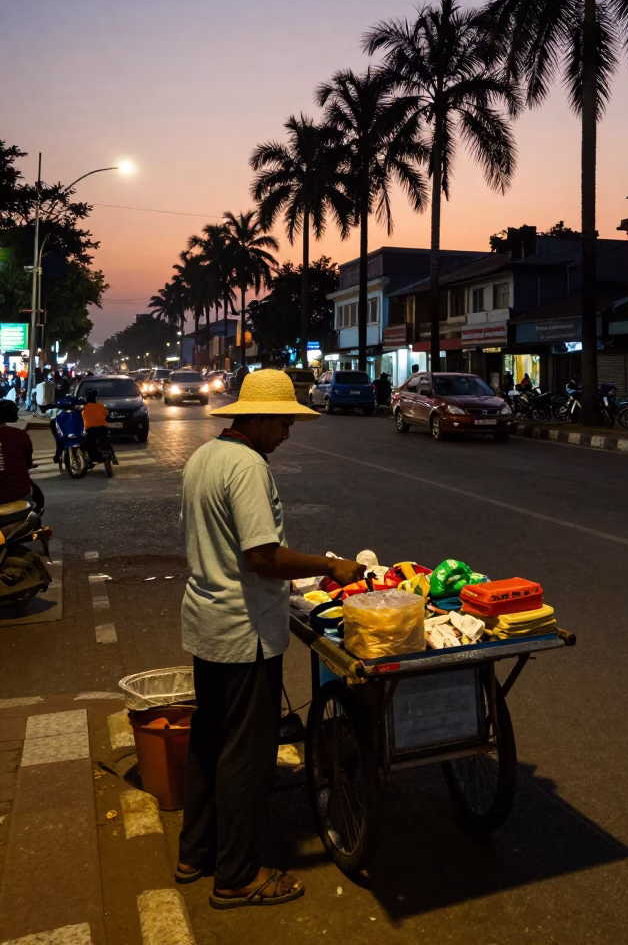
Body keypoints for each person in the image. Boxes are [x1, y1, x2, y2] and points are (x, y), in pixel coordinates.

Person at [177, 368, 364, 910]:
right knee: (246, 755)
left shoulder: (203, 458)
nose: (287, 432)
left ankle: (197, 850)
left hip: (207, 623)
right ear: (257, 419)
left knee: (208, 741)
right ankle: (236, 876)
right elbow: (262, 556)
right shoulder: (248, 467)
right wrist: (331, 567)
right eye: (283, 421)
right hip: (245, 634)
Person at [0, 400, 44, 516]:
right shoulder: (19, 435)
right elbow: (28, 461)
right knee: (38, 501)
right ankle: (36, 527)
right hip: (19, 492)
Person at [82, 389, 110, 463]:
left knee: (87, 444)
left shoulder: (84, 408)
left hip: (91, 431)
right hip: (103, 429)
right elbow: (107, 416)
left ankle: (94, 458)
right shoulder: (101, 406)